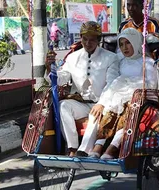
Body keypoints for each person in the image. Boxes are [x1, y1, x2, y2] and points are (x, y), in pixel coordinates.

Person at [45, 21, 120, 157]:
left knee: (94, 115)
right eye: (85, 39)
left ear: (99, 39)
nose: (87, 43)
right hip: (81, 102)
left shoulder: (111, 58)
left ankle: (84, 151)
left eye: (92, 39)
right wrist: (50, 68)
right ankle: (72, 148)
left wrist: (101, 104)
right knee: (63, 106)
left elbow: (112, 84)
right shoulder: (73, 57)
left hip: (102, 104)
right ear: (80, 37)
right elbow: (61, 79)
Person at [88, 28, 158, 159]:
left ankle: (112, 148)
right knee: (109, 111)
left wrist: (136, 86)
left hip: (138, 98)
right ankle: (98, 145)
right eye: (121, 44)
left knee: (128, 112)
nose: (124, 48)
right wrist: (103, 102)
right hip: (118, 94)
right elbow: (113, 83)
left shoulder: (147, 62)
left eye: (128, 43)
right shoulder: (121, 61)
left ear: (136, 43)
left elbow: (152, 85)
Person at [119, 0, 159, 87]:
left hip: (149, 58)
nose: (130, 9)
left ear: (141, 6)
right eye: (128, 5)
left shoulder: (153, 23)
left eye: (134, 5)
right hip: (129, 58)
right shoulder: (124, 25)